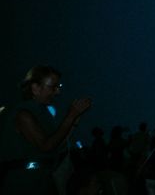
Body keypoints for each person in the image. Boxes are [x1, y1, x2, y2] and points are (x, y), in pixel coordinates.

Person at [0, 65, 92, 195]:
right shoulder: (23, 114)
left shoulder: (42, 114)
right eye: (52, 87)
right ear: (35, 88)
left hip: (42, 180)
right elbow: (46, 146)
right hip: (23, 183)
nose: (57, 92)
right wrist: (70, 116)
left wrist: (73, 122)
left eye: (58, 87)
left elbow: (56, 145)